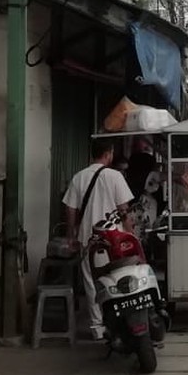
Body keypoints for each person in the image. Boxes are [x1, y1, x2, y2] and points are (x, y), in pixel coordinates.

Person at [63, 139, 137, 341]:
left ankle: (97, 327)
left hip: (88, 240)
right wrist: (130, 234)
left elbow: (70, 208)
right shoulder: (115, 176)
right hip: (114, 241)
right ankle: (119, 322)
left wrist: (71, 236)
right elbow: (124, 210)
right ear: (109, 154)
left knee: (91, 283)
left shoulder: (79, 177)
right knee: (118, 280)